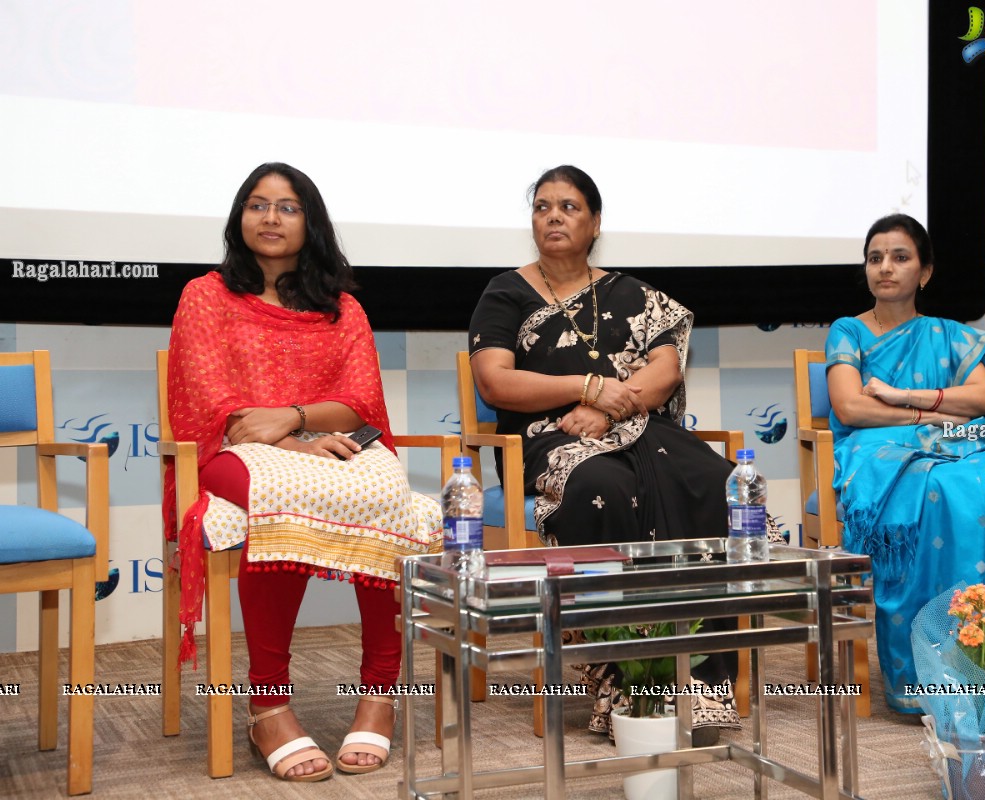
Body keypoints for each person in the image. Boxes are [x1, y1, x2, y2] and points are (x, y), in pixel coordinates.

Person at [165, 163, 441, 780]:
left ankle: (380, 693)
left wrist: (293, 421)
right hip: (237, 456)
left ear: (310, 223)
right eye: (257, 205)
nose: (270, 217)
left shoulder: (341, 308)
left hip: (332, 445)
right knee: (276, 496)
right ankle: (268, 705)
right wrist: (289, 445)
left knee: (389, 493)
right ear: (239, 218)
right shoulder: (205, 296)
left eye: (287, 207)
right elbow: (214, 404)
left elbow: (362, 399)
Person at [467, 165, 742, 737]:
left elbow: (664, 368)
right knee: (604, 487)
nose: (553, 217)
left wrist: (610, 408)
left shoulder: (631, 292)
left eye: (568, 207)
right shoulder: (506, 291)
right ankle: (626, 687)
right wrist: (585, 388)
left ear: (594, 223)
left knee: (718, 480)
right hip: (545, 441)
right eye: (542, 207)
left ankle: (701, 679)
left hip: (636, 425)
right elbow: (494, 382)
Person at [824, 213, 985, 714]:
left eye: (900, 257)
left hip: (953, 442)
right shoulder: (847, 331)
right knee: (938, 487)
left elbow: (982, 399)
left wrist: (902, 396)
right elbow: (851, 408)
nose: (885, 268)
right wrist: (924, 413)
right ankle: (935, 669)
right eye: (875, 259)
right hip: (878, 452)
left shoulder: (947, 334)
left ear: (926, 271)